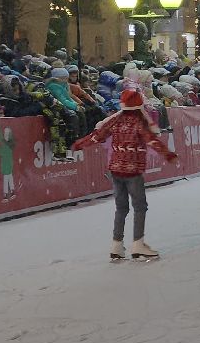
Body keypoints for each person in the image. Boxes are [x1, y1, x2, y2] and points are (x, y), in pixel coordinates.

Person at [74, 88, 178, 262]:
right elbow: (151, 140)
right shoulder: (138, 122)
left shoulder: (115, 120)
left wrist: (79, 144)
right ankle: (138, 244)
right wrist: (169, 154)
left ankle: (116, 244)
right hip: (132, 171)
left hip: (115, 169)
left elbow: (97, 136)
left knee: (121, 207)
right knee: (139, 206)